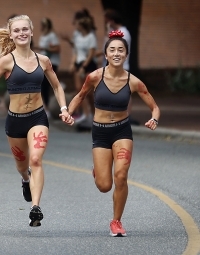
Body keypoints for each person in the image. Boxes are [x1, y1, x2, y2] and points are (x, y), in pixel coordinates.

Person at [0, 15, 74, 227]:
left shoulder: (43, 61)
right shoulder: (6, 61)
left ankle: (35, 208)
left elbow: (57, 87)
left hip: (37, 117)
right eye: (17, 30)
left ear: (32, 32)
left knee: (36, 160)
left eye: (25, 29)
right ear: (12, 35)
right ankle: (25, 180)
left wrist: (63, 108)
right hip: (15, 121)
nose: (22, 33)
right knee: (22, 166)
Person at [67, 30, 160, 236]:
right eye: (112, 50)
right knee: (104, 185)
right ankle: (98, 170)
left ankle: (116, 221)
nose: (116, 53)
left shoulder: (133, 81)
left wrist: (154, 118)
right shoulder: (94, 77)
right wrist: (68, 112)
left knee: (121, 176)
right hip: (100, 133)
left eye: (121, 50)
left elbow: (154, 106)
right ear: (106, 55)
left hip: (122, 131)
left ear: (126, 55)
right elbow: (80, 96)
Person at [69, 17, 98, 128]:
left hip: (88, 64)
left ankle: (95, 114)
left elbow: (91, 53)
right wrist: (73, 63)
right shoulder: (78, 37)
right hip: (79, 63)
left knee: (90, 92)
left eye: (78, 25)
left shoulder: (91, 37)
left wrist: (84, 66)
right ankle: (86, 114)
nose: (76, 27)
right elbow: (76, 51)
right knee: (80, 89)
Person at [33, 17, 61, 118]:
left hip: (51, 63)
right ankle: (44, 107)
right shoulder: (43, 36)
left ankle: (48, 108)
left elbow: (57, 48)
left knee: (46, 85)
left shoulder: (52, 36)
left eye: (42, 25)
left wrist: (44, 48)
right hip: (43, 63)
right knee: (42, 85)